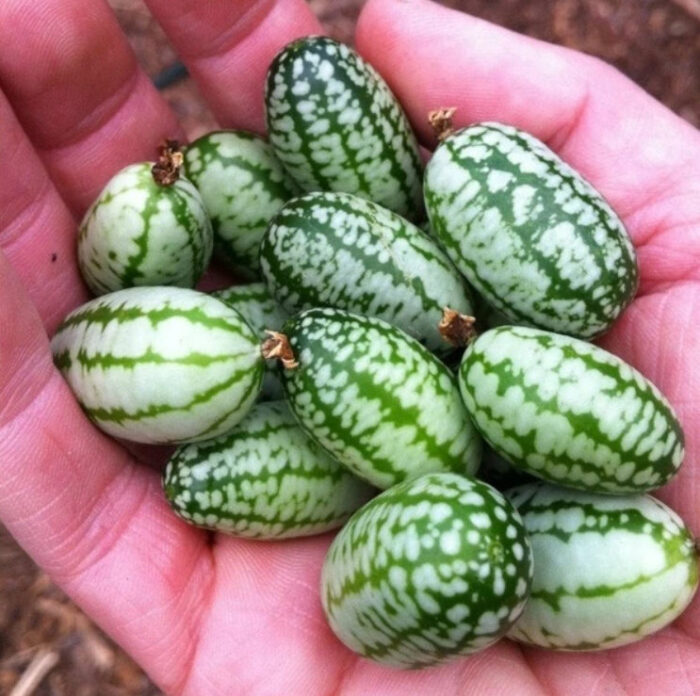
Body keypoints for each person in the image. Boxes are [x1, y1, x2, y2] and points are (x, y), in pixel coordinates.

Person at [1, 0, 698, 693]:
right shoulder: (459, 361)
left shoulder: (483, 364)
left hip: (411, 409)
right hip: (384, 392)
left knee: (475, 531)